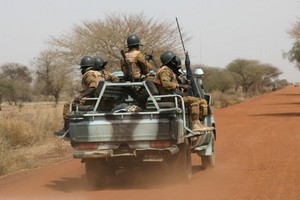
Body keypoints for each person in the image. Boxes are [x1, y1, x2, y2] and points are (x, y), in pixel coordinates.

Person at [154, 51, 209, 132]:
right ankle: (195, 125)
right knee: (194, 101)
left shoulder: (170, 71)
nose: (175, 62)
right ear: (170, 62)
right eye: (173, 60)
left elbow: (173, 83)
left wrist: (182, 84)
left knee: (203, 102)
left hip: (174, 96)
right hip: (170, 98)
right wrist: (181, 86)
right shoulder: (164, 70)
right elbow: (166, 84)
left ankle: (200, 123)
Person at [55, 55, 103, 136]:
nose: (81, 71)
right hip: (98, 100)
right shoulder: (99, 73)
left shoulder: (89, 74)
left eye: (82, 68)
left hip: (91, 101)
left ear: (85, 68)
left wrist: (81, 96)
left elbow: (93, 87)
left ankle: (66, 129)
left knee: (67, 105)